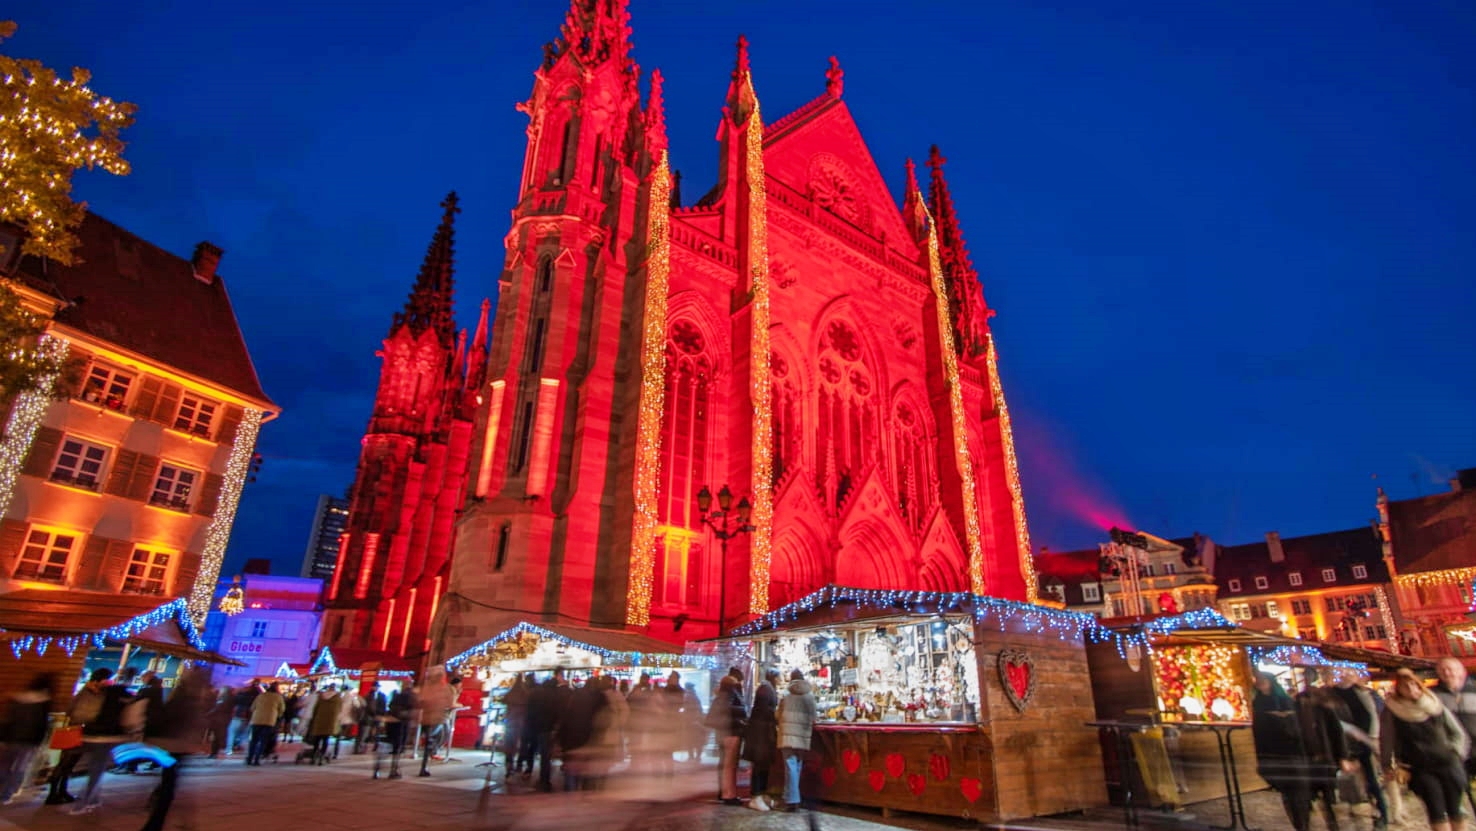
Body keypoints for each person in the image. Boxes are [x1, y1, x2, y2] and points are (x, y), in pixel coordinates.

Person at [1382, 668, 1470, 831]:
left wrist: (1456, 753)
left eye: (1413, 685)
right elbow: (1387, 739)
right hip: (1420, 767)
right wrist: (1388, 764)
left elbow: (1457, 732)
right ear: (1398, 690)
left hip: (1448, 762)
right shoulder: (1393, 710)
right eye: (1405, 687)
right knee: (1436, 809)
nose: (1411, 690)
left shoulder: (1433, 704)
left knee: (1456, 809)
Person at [137, 668, 212, 831]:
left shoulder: (180, 696)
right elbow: (196, 722)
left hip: (172, 744)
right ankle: (163, 816)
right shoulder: (196, 699)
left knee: (169, 782)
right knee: (170, 783)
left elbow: (167, 717)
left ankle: (157, 818)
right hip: (181, 745)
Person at [1252, 672, 1315, 830]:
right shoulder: (1258, 703)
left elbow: (1297, 729)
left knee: (1299, 795)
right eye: (1258, 681)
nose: (1260, 684)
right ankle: (1299, 824)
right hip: (1273, 754)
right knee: (1288, 795)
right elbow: (1259, 732)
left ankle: (1303, 825)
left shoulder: (1285, 701)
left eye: (1263, 681)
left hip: (1293, 755)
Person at [73, 666, 135, 815]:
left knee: (94, 767)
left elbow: (74, 709)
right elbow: (129, 718)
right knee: (97, 768)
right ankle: (83, 802)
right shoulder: (121, 694)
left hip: (88, 733)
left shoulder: (92, 691)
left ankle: (92, 799)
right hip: (107, 735)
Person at [1333, 671, 1390, 829]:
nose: (1345, 676)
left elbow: (1371, 717)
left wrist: (1368, 738)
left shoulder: (1364, 693)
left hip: (1363, 741)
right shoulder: (1331, 693)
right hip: (1342, 742)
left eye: (1350, 674)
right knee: (1346, 778)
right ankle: (1353, 806)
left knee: (1370, 779)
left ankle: (1380, 813)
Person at [46, 668, 110, 806]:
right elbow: (84, 713)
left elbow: (70, 710)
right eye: (108, 679)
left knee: (68, 764)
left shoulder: (85, 691)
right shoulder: (92, 693)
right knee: (65, 764)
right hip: (78, 732)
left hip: (77, 731)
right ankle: (53, 794)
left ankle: (61, 791)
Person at [0, 673, 53, 804]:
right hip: (30, 741)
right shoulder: (44, 702)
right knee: (20, 768)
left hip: (11, 738)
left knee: (4, 766)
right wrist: (40, 742)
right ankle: (7, 794)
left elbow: (9, 720)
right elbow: (42, 725)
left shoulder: (18, 699)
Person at [777, 668, 817, 815]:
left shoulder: (786, 696)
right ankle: (792, 797)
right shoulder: (809, 696)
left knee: (790, 766)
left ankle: (792, 800)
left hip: (787, 735)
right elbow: (814, 717)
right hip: (802, 735)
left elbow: (778, 714)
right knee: (797, 766)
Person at [708, 673, 748, 806]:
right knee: (730, 765)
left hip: (722, 733)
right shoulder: (730, 695)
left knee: (725, 764)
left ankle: (725, 793)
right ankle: (729, 795)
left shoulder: (719, 696)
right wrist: (742, 711)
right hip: (731, 733)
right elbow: (730, 710)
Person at [1433, 657, 1476, 778]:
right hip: (1453, 749)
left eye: (1450, 669)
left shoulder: (1474, 690)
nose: (1446, 673)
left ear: (1462, 671)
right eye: (1442, 670)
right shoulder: (1433, 695)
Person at [744, 669, 780, 807]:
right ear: (774, 677)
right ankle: (756, 795)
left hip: (762, 732)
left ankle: (761, 794)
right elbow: (765, 711)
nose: (781, 679)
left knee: (763, 764)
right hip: (761, 734)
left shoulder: (766, 689)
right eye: (779, 676)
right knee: (760, 764)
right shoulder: (766, 690)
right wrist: (776, 715)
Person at [416, 670, 455, 777]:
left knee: (429, 740)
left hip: (426, 718)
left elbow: (420, 701)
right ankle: (427, 761)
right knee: (438, 737)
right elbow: (449, 703)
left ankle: (424, 765)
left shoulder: (426, 687)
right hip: (438, 719)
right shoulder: (445, 688)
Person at [246, 683, 285, 766]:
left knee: (253, 740)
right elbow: (282, 710)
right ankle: (257, 759)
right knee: (263, 741)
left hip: (256, 719)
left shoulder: (261, 696)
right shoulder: (278, 697)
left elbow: (252, 707)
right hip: (269, 721)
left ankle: (249, 758)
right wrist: (277, 716)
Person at [307, 685, 341, 764]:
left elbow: (316, 708)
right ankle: (322, 756)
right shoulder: (337, 699)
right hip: (330, 721)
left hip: (319, 720)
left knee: (317, 739)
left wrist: (314, 718)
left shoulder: (321, 697)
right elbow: (340, 710)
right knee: (325, 739)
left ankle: (314, 756)